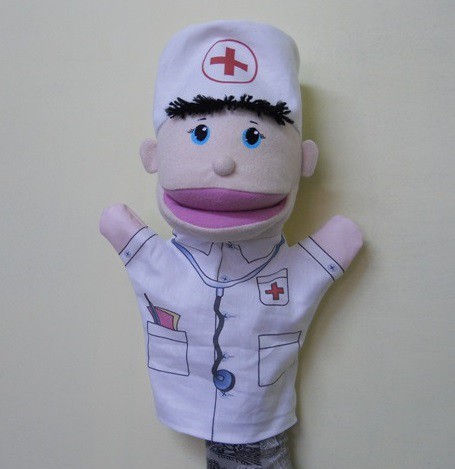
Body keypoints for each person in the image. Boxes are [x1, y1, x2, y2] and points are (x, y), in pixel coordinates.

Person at [100, 21, 363, 468]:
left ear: (304, 160)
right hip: (188, 405)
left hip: (263, 419)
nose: (223, 164)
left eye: (253, 137)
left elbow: (315, 268)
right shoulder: (166, 263)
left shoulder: (285, 273)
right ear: (154, 156)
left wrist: (331, 251)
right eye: (199, 133)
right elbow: (141, 252)